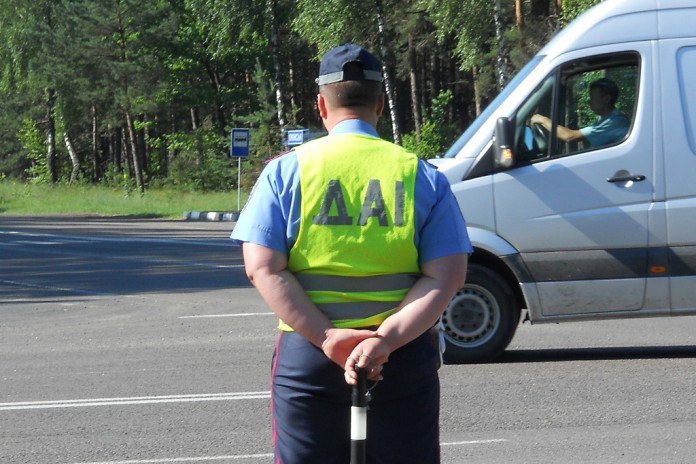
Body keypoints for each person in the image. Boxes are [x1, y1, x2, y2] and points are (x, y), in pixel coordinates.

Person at [231, 43, 472, 464]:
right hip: (400, 356)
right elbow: (447, 276)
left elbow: (262, 268)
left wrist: (328, 337)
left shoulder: (285, 171)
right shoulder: (421, 174)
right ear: (380, 104)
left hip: (310, 357)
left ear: (321, 106)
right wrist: (385, 340)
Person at [531, 77, 630, 148]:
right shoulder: (606, 119)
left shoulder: (614, 122)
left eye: (593, 98)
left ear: (606, 99)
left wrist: (542, 120)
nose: (589, 102)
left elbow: (569, 136)